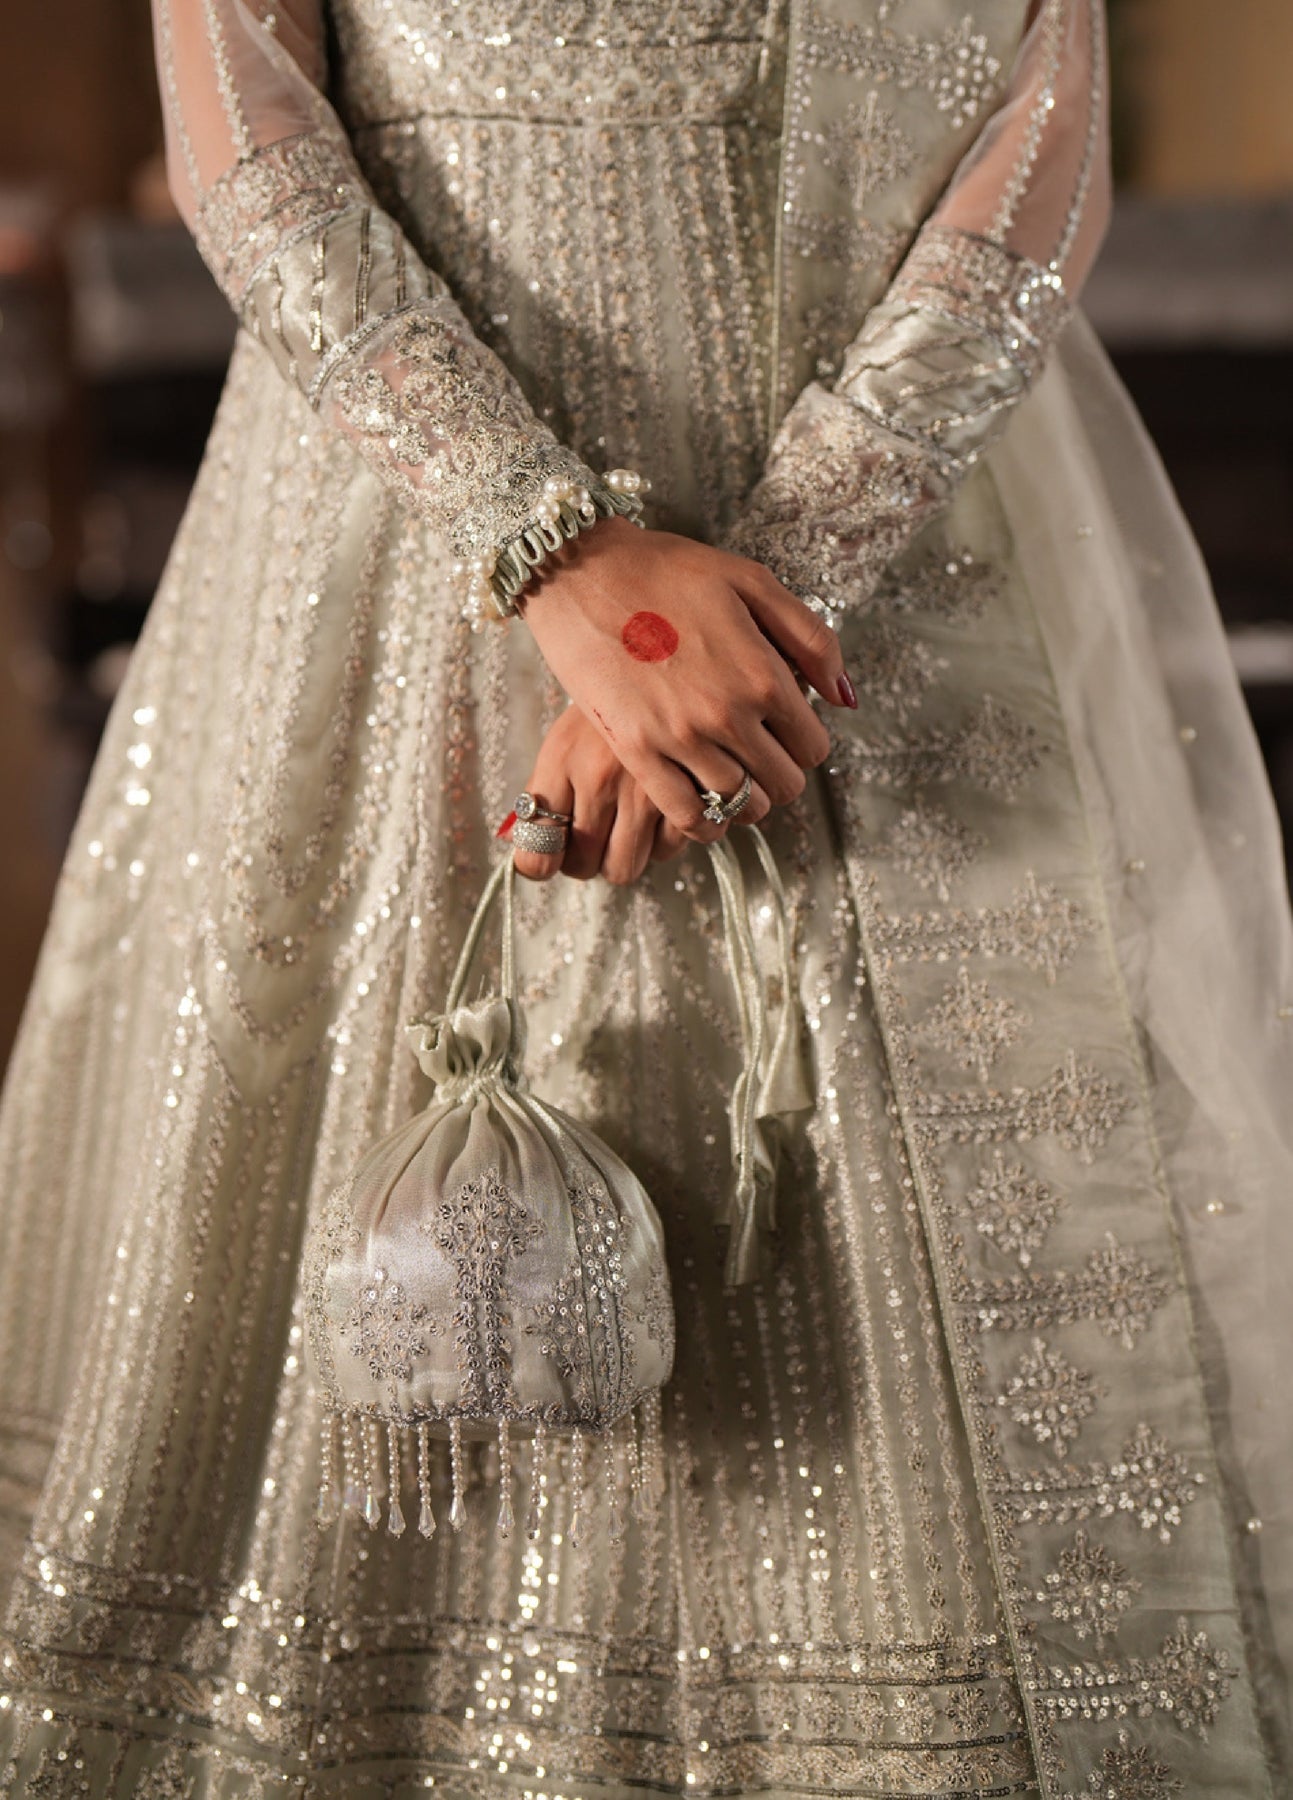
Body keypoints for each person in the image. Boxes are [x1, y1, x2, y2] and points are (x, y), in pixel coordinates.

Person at [0, 0, 1289, 1792]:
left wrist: (762, 598)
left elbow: (1042, 114)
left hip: (870, 614)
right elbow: (247, 115)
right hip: (409, 569)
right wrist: (554, 551)